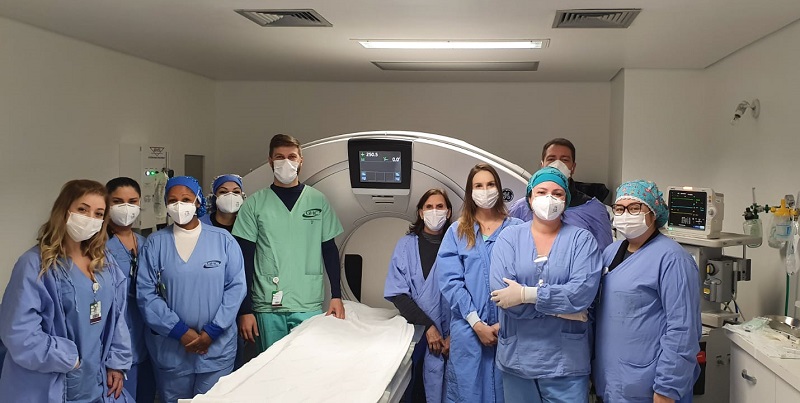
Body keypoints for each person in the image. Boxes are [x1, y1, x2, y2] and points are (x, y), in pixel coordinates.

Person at [0, 179, 132, 402]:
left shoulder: (104, 262)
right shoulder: (35, 265)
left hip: (96, 381)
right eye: (82, 209)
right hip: (49, 382)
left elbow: (117, 316)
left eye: (99, 214)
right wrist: (69, 358)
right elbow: (19, 333)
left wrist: (117, 363)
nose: (90, 218)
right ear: (64, 210)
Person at [489, 167, 602, 403]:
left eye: (557, 193)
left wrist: (525, 294)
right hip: (518, 360)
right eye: (541, 192)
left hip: (566, 364)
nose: (549, 198)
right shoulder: (509, 238)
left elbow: (581, 296)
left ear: (565, 200)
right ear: (530, 198)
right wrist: (564, 310)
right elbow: (503, 298)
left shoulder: (582, 240)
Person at [233, 134, 345, 354]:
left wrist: (336, 295)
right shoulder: (254, 204)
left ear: (301, 160)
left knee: (305, 365)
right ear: (270, 161)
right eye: (280, 157)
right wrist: (245, 309)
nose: (286, 162)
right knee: (271, 366)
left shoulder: (318, 201)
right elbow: (244, 260)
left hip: (308, 302)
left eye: (292, 157)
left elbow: (329, 250)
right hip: (267, 305)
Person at [137, 176, 245, 403]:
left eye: (186, 199)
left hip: (216, 346)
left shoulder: (223, 240)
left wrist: (212, 331)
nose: (179, 205)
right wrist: (180, 332)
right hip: (172, 347)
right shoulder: (155, 244)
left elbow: (236, 288)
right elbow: (146, 295)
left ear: (198, 201)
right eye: (172, 200)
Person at [593, 180, 701, 403]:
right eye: (619, 209)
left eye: (634, 208)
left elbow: (683, 329)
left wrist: (667, 388)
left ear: (653, 213)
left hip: (651, 385)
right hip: (613, 379)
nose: (625, 214)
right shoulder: (611, 252)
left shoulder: (673, 259)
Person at [437, 163, 523, 403]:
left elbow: (526, 278)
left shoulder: (517, 229)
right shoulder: (457, 232)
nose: (485, 190)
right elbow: (451, 282)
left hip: (510, 329)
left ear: (499, 188)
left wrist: (503, 324)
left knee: (509, 393)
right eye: (478, 186)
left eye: (490, 184)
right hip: (469, 330)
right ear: (470, 192)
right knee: (468, 393)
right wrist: (477, 324)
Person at [384, 189, 454, 403]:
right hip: (417, 330)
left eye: (440, 206)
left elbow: (468, 291)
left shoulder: (458, 244)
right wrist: (429, 327)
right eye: (429, 207)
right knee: (416, 389)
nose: (435, 211)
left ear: (449, 212)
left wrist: (455, 334)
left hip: (452, 333)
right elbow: (398, 294)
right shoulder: (406, 245)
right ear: (421, 213)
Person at [508, 138, 613, 250]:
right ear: (542, 165)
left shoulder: (594, 210)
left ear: (573, 167)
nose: (557, 164)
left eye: (565, 160)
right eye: (551, 159)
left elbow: (606, 253)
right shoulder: (521, 207)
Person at [105, 177, 157, 402]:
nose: (126, 208)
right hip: (115, 341)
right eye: (118, 202)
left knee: (146, 393)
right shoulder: (99, 246)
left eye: (132, 201)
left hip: (146, 337)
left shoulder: (146, 243)